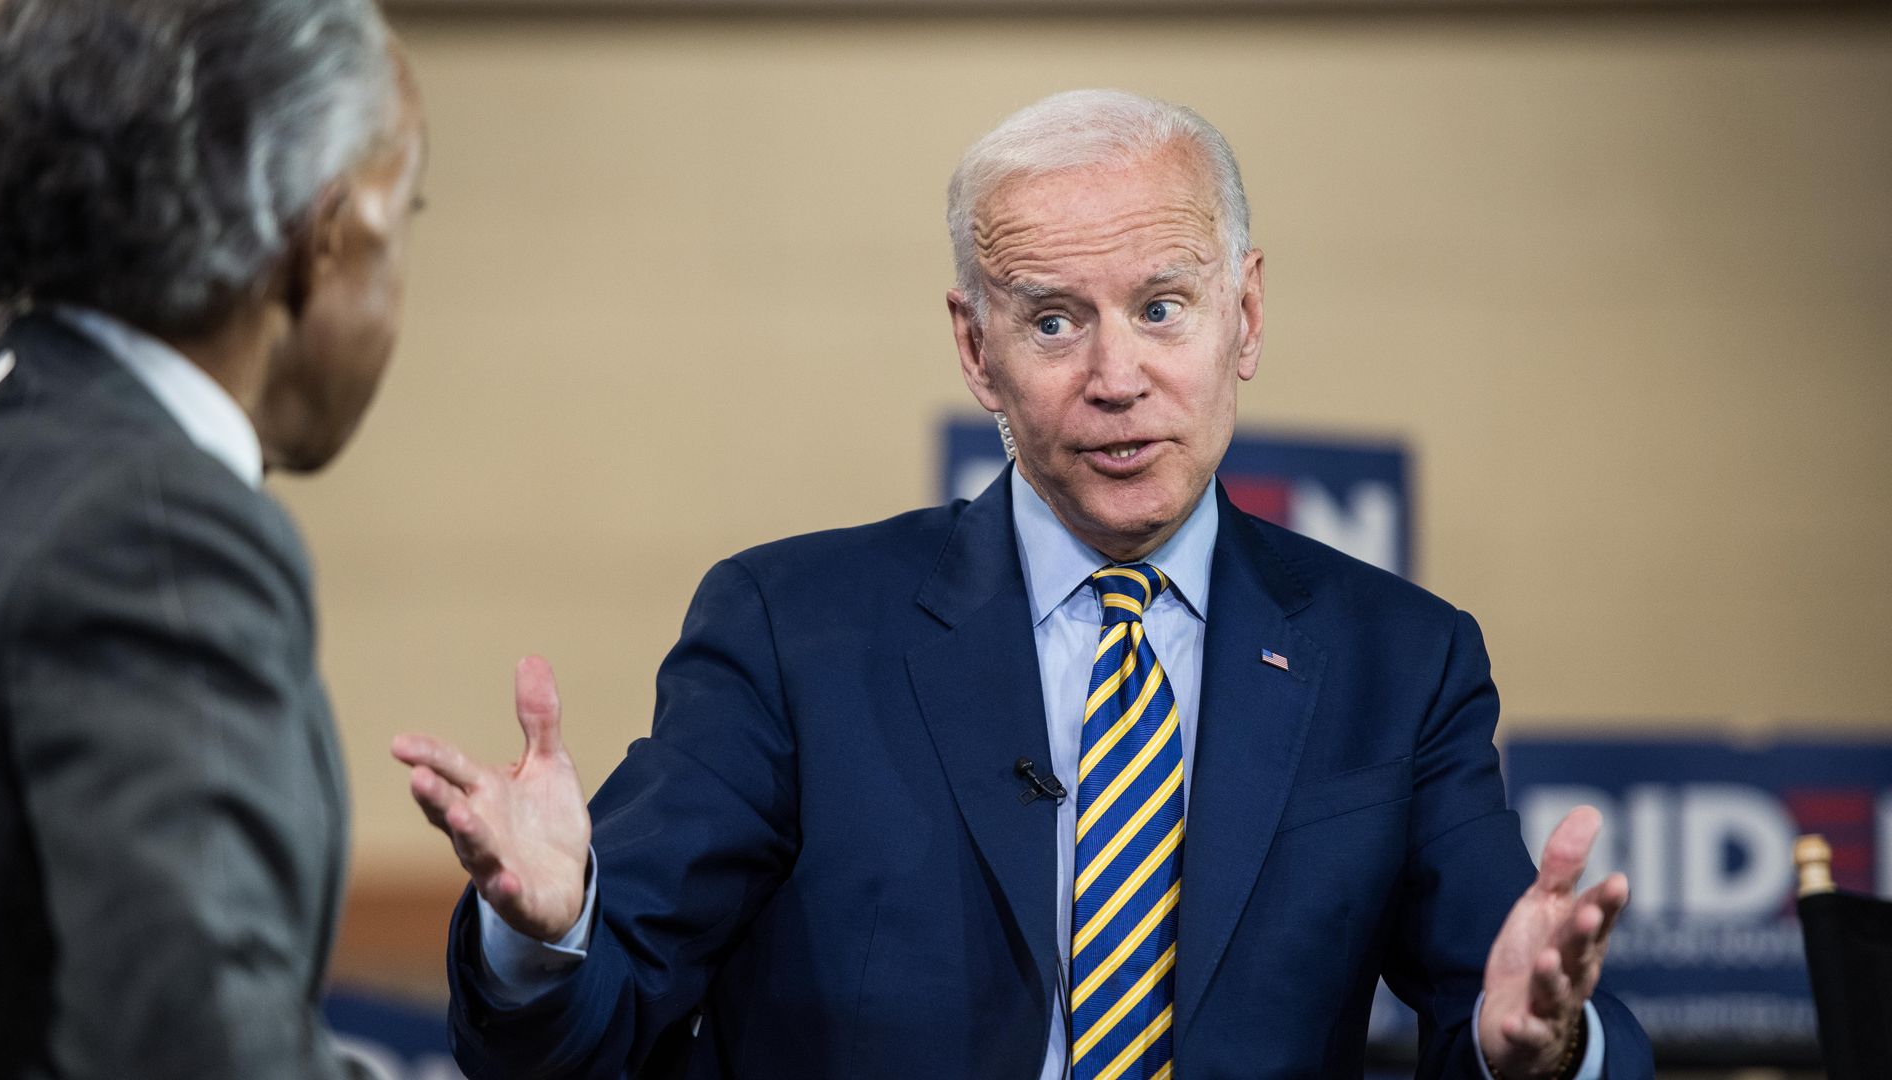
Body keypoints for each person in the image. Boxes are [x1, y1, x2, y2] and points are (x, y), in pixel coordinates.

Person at [396, 90, 1650, 1079]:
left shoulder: (1399, 664)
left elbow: (1508, 1005)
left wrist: (1540, 1054)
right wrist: (547, 932)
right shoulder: (791, 634)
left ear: (1247, 314)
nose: (1116, 376)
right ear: (974, 348)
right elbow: (578, 1033)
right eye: (1053, 321)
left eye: (1163, 308)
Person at [0, 1, 426, 1076]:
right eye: (409, 217)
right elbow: (197, 1049)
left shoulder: (9, 441)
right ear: (322, 239)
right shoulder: (155, 532)